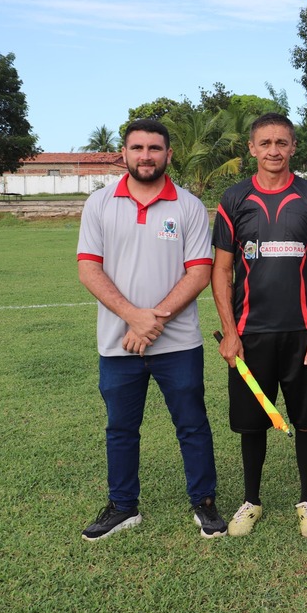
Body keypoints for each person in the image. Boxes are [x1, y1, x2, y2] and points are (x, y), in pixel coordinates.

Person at [77, 118, 226, 541]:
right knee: (121, 429)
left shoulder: (189, 207)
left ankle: (205, 503)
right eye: (138, 148)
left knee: (192, 424)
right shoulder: (100, 203)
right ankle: (123, 507)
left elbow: (198, 273)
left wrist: (151, 319)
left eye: (154, 148)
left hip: (178, 345)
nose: (146, 156)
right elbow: (89, 269)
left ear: (168, 155)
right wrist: (133, 316)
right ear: (124, 153)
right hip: (118, 343)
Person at [211, 112, 307, 538]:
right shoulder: (233, 199)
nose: (273, 150)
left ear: (293, 147)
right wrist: (230, 332)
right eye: (264, 143)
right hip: (250, 334)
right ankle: (251, 500)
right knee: (252, 422)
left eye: (281, 142)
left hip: (303, 332)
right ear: (251, 149)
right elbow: (221, 271)